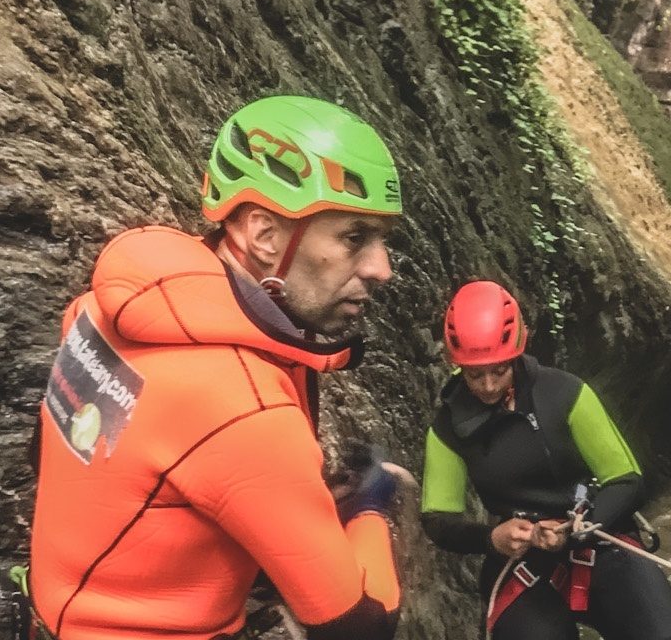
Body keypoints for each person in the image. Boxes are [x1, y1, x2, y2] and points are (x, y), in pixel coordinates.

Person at [25, 96, 405, 640]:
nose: (380, 269)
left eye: (382, 240)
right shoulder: (246, 408)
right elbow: (359, 628)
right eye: (354, 237)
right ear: (264, 234)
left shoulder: (112, 308)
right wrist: (371, 505)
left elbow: (61, 454)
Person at [418, 281, 671, 640]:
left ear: (518, 350)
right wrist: (492, 538)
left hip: (598, 538)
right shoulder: (447, 429)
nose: (487, 385)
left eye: (498, 370)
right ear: (455, 363)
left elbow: (626, 479)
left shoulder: (564, 394)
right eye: (475, 374)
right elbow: (438, 519)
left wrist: (581, 528)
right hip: (521, 559)